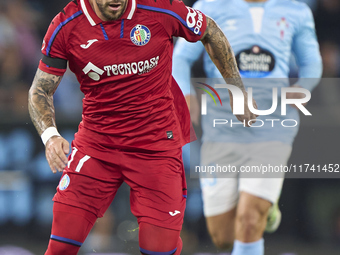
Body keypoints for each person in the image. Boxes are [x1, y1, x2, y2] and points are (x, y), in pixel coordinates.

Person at [28, 0, 256, 254]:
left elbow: (210, 31)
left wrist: (237, 91)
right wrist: (50, 136)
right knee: (60, 248)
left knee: (159, 250)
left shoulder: (160, 8)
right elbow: (40, 89)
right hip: (97, 145)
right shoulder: (66, 25)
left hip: (155, 145)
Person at [172, 0, 322, 254]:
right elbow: (181, 58)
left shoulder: (296, 10)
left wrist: (302, 89)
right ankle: (269, 206)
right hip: (220, 130)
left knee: (250, 219)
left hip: (273, 127)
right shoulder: (209, 6)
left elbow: (312, 63)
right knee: (223, 237)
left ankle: (262, 204)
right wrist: (186, 95)